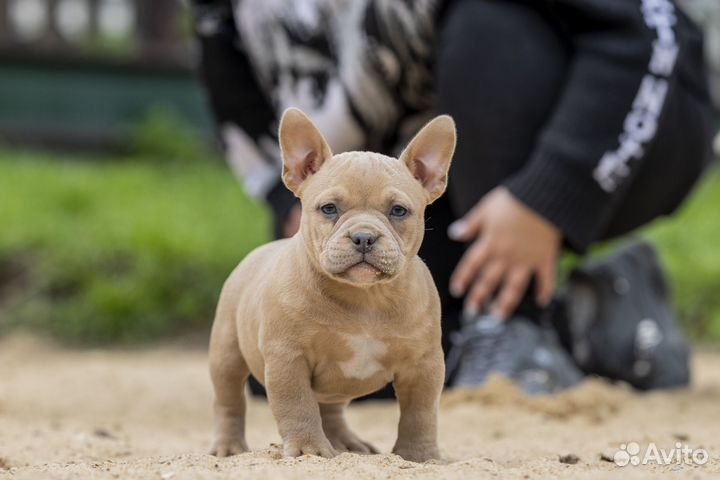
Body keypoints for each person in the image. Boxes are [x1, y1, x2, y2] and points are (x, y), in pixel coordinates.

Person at [190, 0, 718, 394]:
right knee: (301, 357)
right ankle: (597, 314)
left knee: (487, 20)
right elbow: (232, 86)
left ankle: (509, 322)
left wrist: (547, 193)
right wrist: (296, 207)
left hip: (622, 118)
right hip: (392, 183)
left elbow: (648, 36)